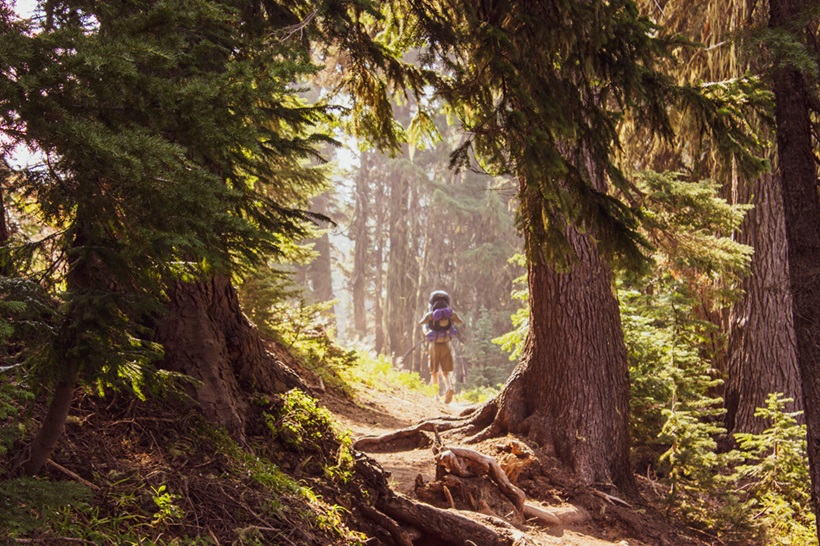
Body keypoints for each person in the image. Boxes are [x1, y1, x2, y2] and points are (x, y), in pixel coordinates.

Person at [419, 290, 463, 403]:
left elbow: (422, 325)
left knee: (434, 372)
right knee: (445, 371)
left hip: (434, 345)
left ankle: (436, 396)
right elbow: (460, 322)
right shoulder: (449, 314)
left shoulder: (431, 314)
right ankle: (449, 387)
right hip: (447, 344)